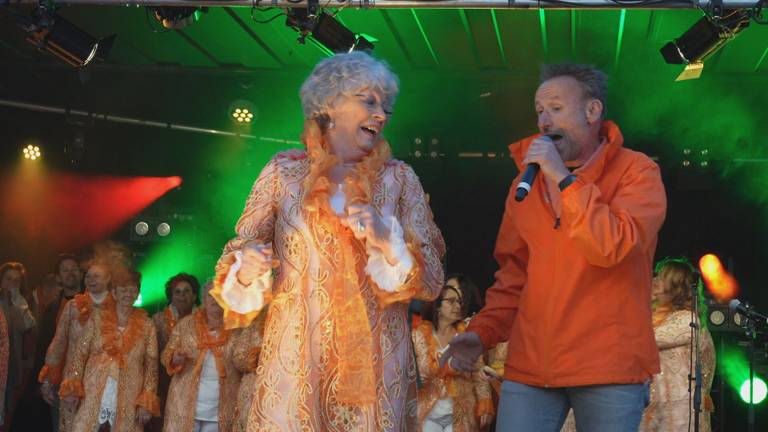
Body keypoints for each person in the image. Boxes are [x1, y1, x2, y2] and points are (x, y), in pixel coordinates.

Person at [211, 51, 446, 431]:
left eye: (386, 106)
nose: (381, 114)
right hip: (297, 366)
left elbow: (433, 279)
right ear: (330, 104)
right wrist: (245, 268)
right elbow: (240, 248)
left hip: (375, 370)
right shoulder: (283, 173)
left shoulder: (399, 181)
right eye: (367, 100)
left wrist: (389, 243)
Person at [441, 63, 667, 431]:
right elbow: (513, 277)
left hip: (608, 364)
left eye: (556, 108)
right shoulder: (525, 185)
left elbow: (610, 246)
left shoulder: (637, 172)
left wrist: (563, 179)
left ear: (593, 111)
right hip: (533, 366)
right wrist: (481, 333)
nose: (544, 121)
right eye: (539, 111)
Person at [60, 270, 159, 431]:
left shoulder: (148, 325)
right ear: (114, 292)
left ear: (138, 293)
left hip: (129, 394)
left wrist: (146, 402)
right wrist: (73, 388)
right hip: (93, 391)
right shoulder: (97, 318)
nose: (128, 294)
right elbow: (80, 354)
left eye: (133, 290)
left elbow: (151, 366)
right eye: (124, 289)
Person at [39, 251, 121, 432]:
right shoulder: (73, 306)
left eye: (96, 276)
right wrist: (47, 380)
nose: (91, 280)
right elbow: (58, 343)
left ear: (108, 279)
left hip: (104, 381)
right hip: (73, 379)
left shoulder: (118, 307)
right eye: (88, 276)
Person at [640, 258, 716, 431]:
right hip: (654, 408)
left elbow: (642, 339)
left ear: (677, 288)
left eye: (661, 277)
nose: (654, 281)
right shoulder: (656, 317)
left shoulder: (686, 319)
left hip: (679, 413)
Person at [161, 281, 241, 432]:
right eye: (211, 296)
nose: (215, 300)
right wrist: (174, 358)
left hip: (221, 409)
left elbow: (242, 360)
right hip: (184, 406)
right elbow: (166, 354)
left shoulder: (237, 329)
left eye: (221, 295)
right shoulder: (186, 324)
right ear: (203, 299)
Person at [413, 284, 494, 431]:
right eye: (451, 301)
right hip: (428, 410)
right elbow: (422, 373)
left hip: (460, 410)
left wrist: (485, 401)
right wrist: (449, 367)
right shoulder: (419, 334)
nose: (457, 306)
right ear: (437, 306)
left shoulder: (466, 334)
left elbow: (478, 370)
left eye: (459, 302)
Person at [0, 262, 36, 425]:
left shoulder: (20, 304)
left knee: (7, 412)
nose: (12, 284)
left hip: (12, 366)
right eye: (8, 279)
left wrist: (19, 302)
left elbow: (28, 324)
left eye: (17, 281)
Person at [230, 309, 267, 432]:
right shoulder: (255, 322)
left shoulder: (293, 322)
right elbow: (237, 356)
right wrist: (256, 357)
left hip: (281, 398)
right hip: (251, 397)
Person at [153, 273, 200, 351]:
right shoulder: (158, 320)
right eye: (177, 292)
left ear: (194, 296)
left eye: (187, 291)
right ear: (171, 297)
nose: (182, 295)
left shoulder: (205, 318)